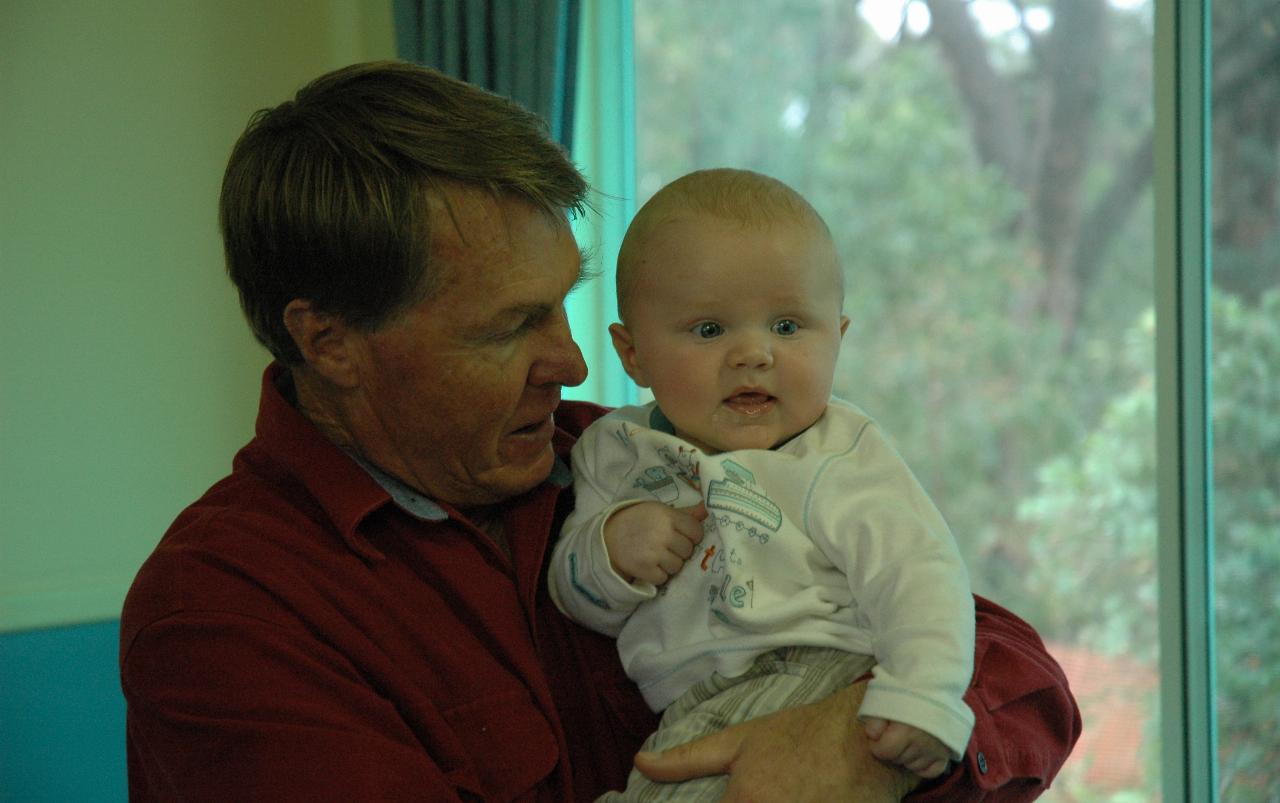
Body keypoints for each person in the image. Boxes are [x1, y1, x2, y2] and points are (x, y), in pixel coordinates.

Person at [119, 60, 1081, 802]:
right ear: (329, 340)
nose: (575, 364)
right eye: (509, 327)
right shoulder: (222, 612)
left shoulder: (621, 450)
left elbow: (1023, 677)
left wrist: (857, 749)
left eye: (563, 305)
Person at [549, 169, 973, 800]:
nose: (754, 354)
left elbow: (917, 574)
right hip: (688, 707)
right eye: (710, 330)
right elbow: (576, 598)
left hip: (813, 672)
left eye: (786, 327)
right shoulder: (613, 451)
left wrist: (924, 694)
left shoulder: (838, 453)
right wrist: (609, 550)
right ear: (632, 353)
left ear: (838, 337)